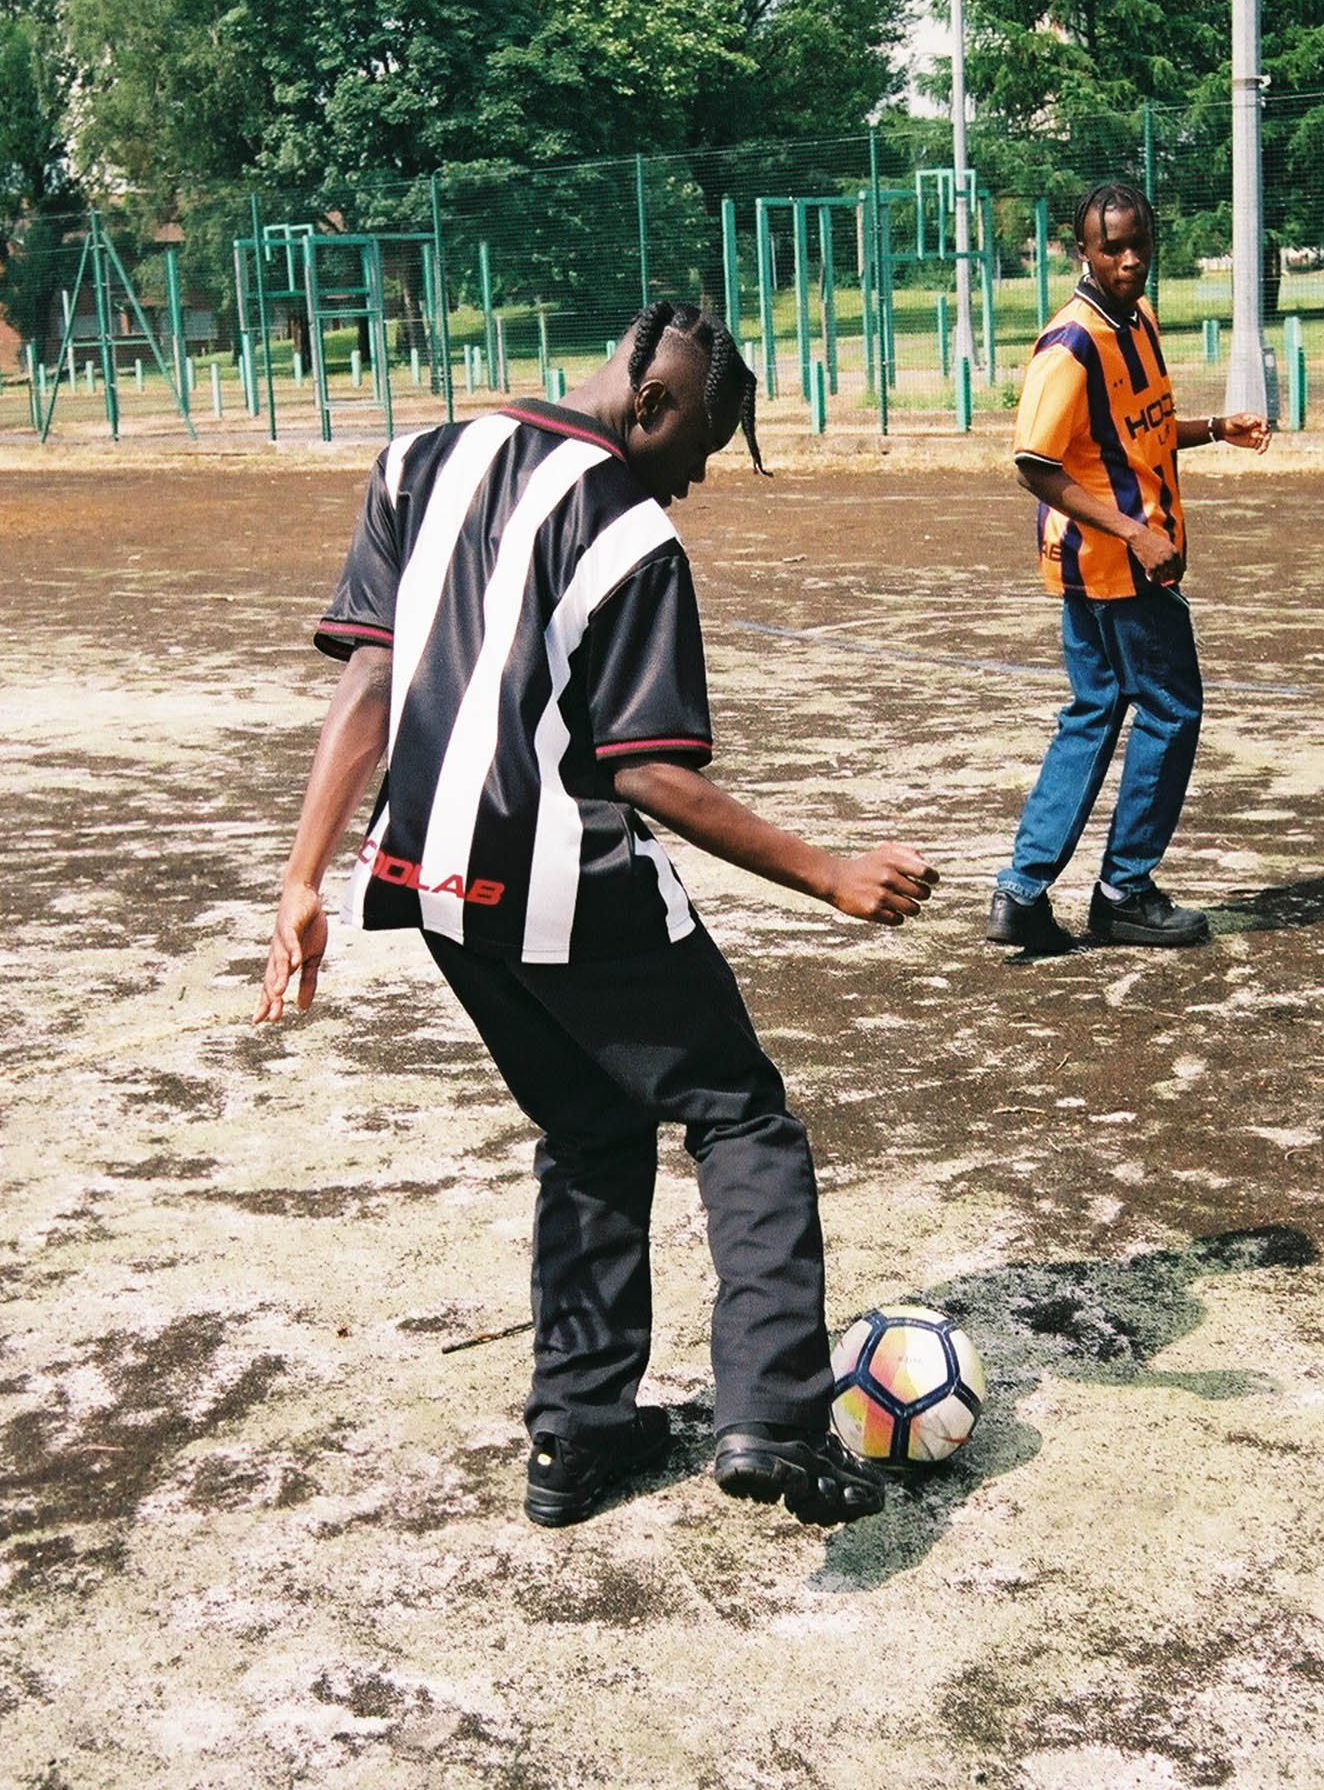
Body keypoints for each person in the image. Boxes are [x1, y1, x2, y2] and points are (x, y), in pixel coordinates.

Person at [255, 301, 938, 1529]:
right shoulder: (627, 533)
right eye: (705, 447)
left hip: (428, 883)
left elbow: (366, 678)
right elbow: (650, 774)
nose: (697, 481)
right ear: (656, 404)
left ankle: (578, 1433)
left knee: (589, 1121)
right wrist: (830, 871)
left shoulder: (419, 458)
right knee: (741, 1117)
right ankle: (776, 1417)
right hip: (571, 880)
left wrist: (304, 876)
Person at [986, 183, 1271, 954]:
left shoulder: (1137, 322)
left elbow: (1130, 435)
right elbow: (1035, 463)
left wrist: (1215, 428)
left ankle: (1022, 891)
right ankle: (1124, 891)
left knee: (1094, 711)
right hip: (1116, 565)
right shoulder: (1071, 343)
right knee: (1171, 711)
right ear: (1083, 252)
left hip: (1118, 561)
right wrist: (1137, 535)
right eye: (1112, 246)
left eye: (1139, 241)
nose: (1130, 257)